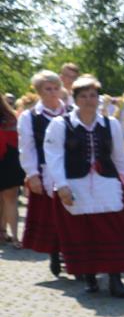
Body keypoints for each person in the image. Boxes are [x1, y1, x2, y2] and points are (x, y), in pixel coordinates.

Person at [42, 76, 124, 297]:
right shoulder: (60, 124)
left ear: (98, 98)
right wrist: (61, 185)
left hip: (106, 182)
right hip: (76, 182)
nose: (89, 100)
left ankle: (115, 278)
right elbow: (54, 156)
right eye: (83, 96)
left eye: (93, 95)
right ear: (75, 99)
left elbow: (119, 155)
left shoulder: (110, 124)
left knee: (113, 231)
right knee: (82, 232)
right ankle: (89, 276)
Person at [16, 71, 69, 273]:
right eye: (48, 89)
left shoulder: (71, 112)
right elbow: (26, 148)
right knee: (51, 217)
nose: (53, 92)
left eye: (56, 88)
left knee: (73, 215)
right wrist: (32, 174)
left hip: (72, 171)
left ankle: (75, 257)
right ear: (39, 92)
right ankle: (54, 254)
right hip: (45, 172)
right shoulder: (30, 117)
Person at [0, 93, 20, 243]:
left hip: (8, 160)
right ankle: (13, 237)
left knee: (6, 200)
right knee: (10, 200)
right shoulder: (12, 118)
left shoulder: (12, 118)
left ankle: (3, 232)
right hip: (11, 161)